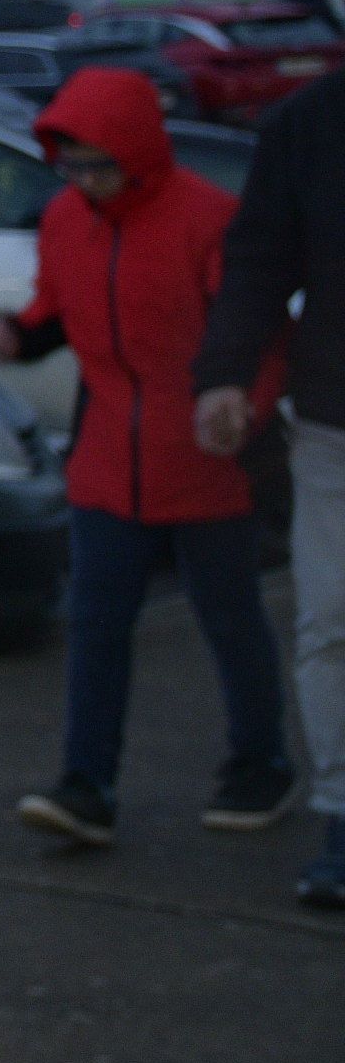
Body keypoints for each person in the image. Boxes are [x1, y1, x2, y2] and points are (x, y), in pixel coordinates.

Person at [0, 67, 293, 848]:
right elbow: (53, 313)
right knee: (95, 625)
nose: (87, 183)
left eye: (100, 166)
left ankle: (260, 764)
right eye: (73, 166)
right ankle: (87, 784)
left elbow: (254, 334)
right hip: (106, 463)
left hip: (206, 459)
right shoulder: (66, 219)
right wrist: (17, 336)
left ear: (139, 153)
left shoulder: (209, 220)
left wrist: (242, 411)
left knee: (229, 618)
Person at [194, 64, 345, 907]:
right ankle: (342, 816)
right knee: (331, 624)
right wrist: (225, 376)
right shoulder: (308, 125)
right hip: (333, 424)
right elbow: (257, 259)